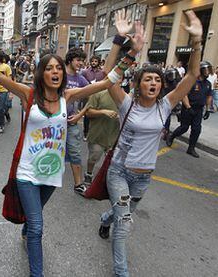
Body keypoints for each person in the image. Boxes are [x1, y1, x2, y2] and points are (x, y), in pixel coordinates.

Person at [0, 10, 129, 277]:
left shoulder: (68, 96)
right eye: (49, 68)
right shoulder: (28, 94)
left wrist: (125, 49)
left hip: (51, 173)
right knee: (37, 226)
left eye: (58, 67)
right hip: (26, 171)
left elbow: (108, 81)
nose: (55, 71)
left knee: (33, 220)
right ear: (41, 73)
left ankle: (27, 230)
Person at [98, 10, 203, 277]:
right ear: (138, 83)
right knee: (125, 223)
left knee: (121, 213)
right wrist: (120, 40)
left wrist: (196, 44)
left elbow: (191, 76)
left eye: (157, 79)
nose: (154, 82)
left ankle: (105, 218)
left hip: (143, 178)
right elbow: (108, 74)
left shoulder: (166, 106)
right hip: (120, 172)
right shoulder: (126, 103)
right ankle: (121, 272)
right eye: (148, 78)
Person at [166, 60, 213, 158]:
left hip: (199, 110)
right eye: (205, 70)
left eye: (208, 70)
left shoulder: (208, 83)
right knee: (184, 127)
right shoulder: (192, 81)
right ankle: (172, 136)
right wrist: (188, 107)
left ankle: (191, 148)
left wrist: (208, 109)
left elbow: (209, 96)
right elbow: (184, 94)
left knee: (196, 129)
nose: (207, 72)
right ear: (200, 70)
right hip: (188, 108)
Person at [63, 47, 90, 194]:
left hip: (71, 122)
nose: (81, 63)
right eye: (78, 60)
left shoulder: (80, 79)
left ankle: (78, 184)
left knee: (75, 153)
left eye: (82, 61)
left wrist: (81, 114)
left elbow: (94, 96)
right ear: (70, 59)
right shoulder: (59, 74)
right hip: (53, 122)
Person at [82, 89, 119, 188]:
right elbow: (88, 112)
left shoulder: (123, 96)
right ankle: (88, 174)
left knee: (113, 161)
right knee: (94, 157)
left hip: (115, 135)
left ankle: (107, 180)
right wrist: (103, 112)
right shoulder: (98, 93)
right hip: (98, 133)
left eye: (120, 77)